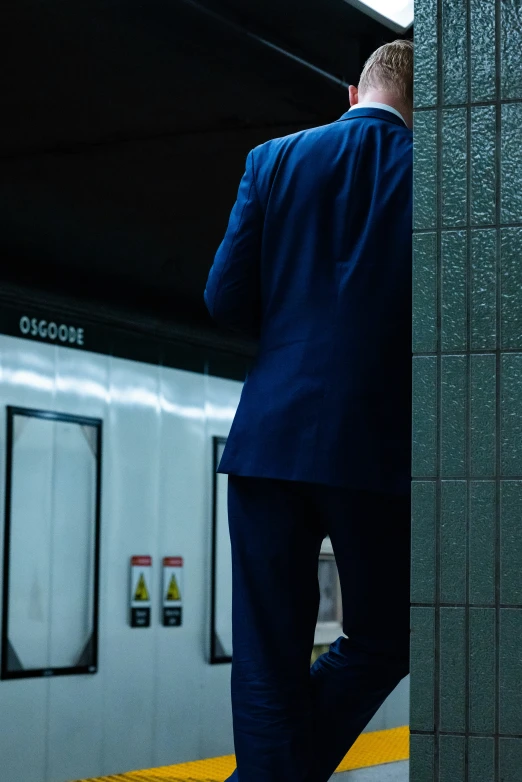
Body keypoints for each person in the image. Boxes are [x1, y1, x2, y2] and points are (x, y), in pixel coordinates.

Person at [204, 39, 413, 782]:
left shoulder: (274, 159)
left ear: (352, 95)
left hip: (268, 440)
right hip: (373, 450)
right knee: (389, 637)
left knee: (266, 657)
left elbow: (224, 299)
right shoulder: (438, 177)